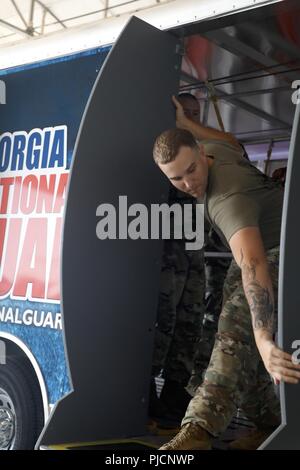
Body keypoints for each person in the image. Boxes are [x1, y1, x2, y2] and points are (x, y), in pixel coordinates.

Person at [152, 125, 300, 450]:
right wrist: (185, 122)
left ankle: (198, 432)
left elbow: (254, 265)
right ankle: (269, 424)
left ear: (202, 156)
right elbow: (232, 140)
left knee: (237, 325)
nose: (189, 183)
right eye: (177, 178)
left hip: (286, 249)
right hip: (261, 242)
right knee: (228, 329)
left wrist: (263, 338)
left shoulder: (226, 198)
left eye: (192, 170)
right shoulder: (216, 149)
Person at [150, 93, 238, 424]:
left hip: (193, 253)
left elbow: (231, 148)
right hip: (166, 253)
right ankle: (148, 390)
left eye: (196, 114)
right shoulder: (166, 154)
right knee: (164, 318)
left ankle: (174, 387)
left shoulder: (200, 158)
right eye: (185, 113)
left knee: (191, 318)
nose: (191, 118)